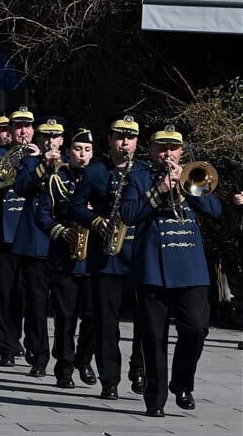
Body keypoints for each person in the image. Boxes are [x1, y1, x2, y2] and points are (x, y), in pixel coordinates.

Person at [120, 124, 221, 417]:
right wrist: (160, 190)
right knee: (152, 336)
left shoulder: (192, 174)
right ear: (151, 150)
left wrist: (188, 187)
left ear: (181, 150)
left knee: (196, 328)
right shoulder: (138, 177)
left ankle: (183, 383)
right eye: (162, 148)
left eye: (173, 148)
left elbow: (214, 211)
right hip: (153, 268)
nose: (168, 154)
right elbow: (128, 215)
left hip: (190, 267)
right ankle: (155, 397)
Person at [70, 114, 146, 399]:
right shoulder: (96, 172)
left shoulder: (144, 172)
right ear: (110, 140)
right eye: (118, 137)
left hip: (139, 256)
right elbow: (75, 207)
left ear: (137, 142)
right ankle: (109, 379)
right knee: (105, 322)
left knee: (146, 321)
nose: (123, 143)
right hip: (107, 257)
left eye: (129, 138)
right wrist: (95, 220)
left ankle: (139, 368)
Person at [37, 127, 97, 388]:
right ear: (68, 151)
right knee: (65, 317)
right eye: (77, 149)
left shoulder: (101, 179)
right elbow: (42, 216)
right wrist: (62, 233)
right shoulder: (55, 179)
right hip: (63, 255)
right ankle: (64, 368)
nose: (82, 155)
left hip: (93, 257)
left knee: (94, 316)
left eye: (87, 150)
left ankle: (83, 359)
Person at [9, 116, 68, 377]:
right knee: (35, 304)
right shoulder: (31, 162)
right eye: (45, 136)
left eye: (55, 137)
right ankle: (39, 356)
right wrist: (42, 165)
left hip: (63, 241)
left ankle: (66, 358)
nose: (50, 141)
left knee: (66, 307)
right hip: (35, 241)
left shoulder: (71, 163)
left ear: (62, 140)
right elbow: (21, 187)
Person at [0, 105, 38, 366]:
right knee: (3, 292)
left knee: (25, 294)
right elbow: (0, 170)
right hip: (4, 232)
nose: (23, 131)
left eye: (27, 126)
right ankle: (6, 345)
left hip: (30, 231)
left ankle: (25, 341)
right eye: (18, 127)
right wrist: (26, 158)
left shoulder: (39, 155)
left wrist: (37, 159)